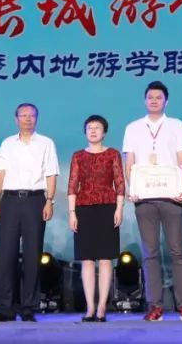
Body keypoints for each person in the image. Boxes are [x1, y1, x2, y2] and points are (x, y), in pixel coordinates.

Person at [122, 81, 182, 322]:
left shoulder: (176, 125)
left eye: (159, 97)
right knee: (150, 253)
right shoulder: (133, 128)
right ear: (145, 100)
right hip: (144, 198)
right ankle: (155, 306)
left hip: (171, 196)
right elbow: (129, 162)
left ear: (166, 101)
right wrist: (133, 188)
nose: (154, 101)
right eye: (150, 97)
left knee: (177, 251)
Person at [0, 103, 59, 322]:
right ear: (16, 119)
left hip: (35, 200)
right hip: (10, 200)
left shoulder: (46, 143)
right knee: (6, 255)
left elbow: (51, 174)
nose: (28, 119)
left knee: (32, 255)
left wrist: (49, 201)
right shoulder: (7, 144)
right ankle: (5, 308)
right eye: (23, 115)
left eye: (32, 115)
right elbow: (0, 174)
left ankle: (29, 307)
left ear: (37, 118)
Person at [67, 115, 125, 323]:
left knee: (106, 258)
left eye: (97, 127)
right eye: (89, 127)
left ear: (104, 132)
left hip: (108, 207)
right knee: (87, 259)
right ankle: (90, 307)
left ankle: (102, 307)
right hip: (83, 209)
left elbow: (120, 183)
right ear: (85, 132)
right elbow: (72, 185)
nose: (93, 131)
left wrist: (119, 209)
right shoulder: (78, 156)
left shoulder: (112, 154)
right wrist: (72, 212)